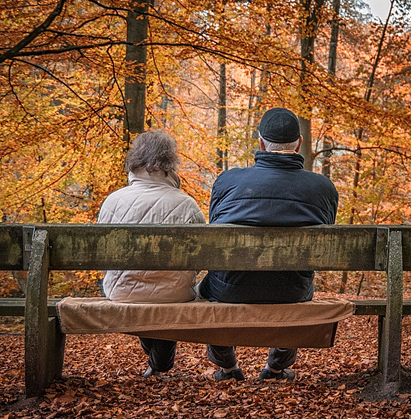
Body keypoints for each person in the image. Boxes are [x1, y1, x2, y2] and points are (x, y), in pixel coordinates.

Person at [197, 107, 339, 382]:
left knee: (213, 283)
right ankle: (275, 369)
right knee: (295, 282)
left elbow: (216, 230)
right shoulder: (322, 188)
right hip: (290, 291)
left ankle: (227, 369)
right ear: (298, 144)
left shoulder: (227, 181)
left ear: (261, 143)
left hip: (230, 290)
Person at [99, 129, 206, 378]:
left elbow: (104, 259)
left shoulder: (112, 201)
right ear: (171, 164)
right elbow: (200, 259)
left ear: (134, 161)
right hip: (175, 293)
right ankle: (160, 363)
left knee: (144, 295)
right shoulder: (186, 204)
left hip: (121, 291)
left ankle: (158, 363)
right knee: (167, 294)